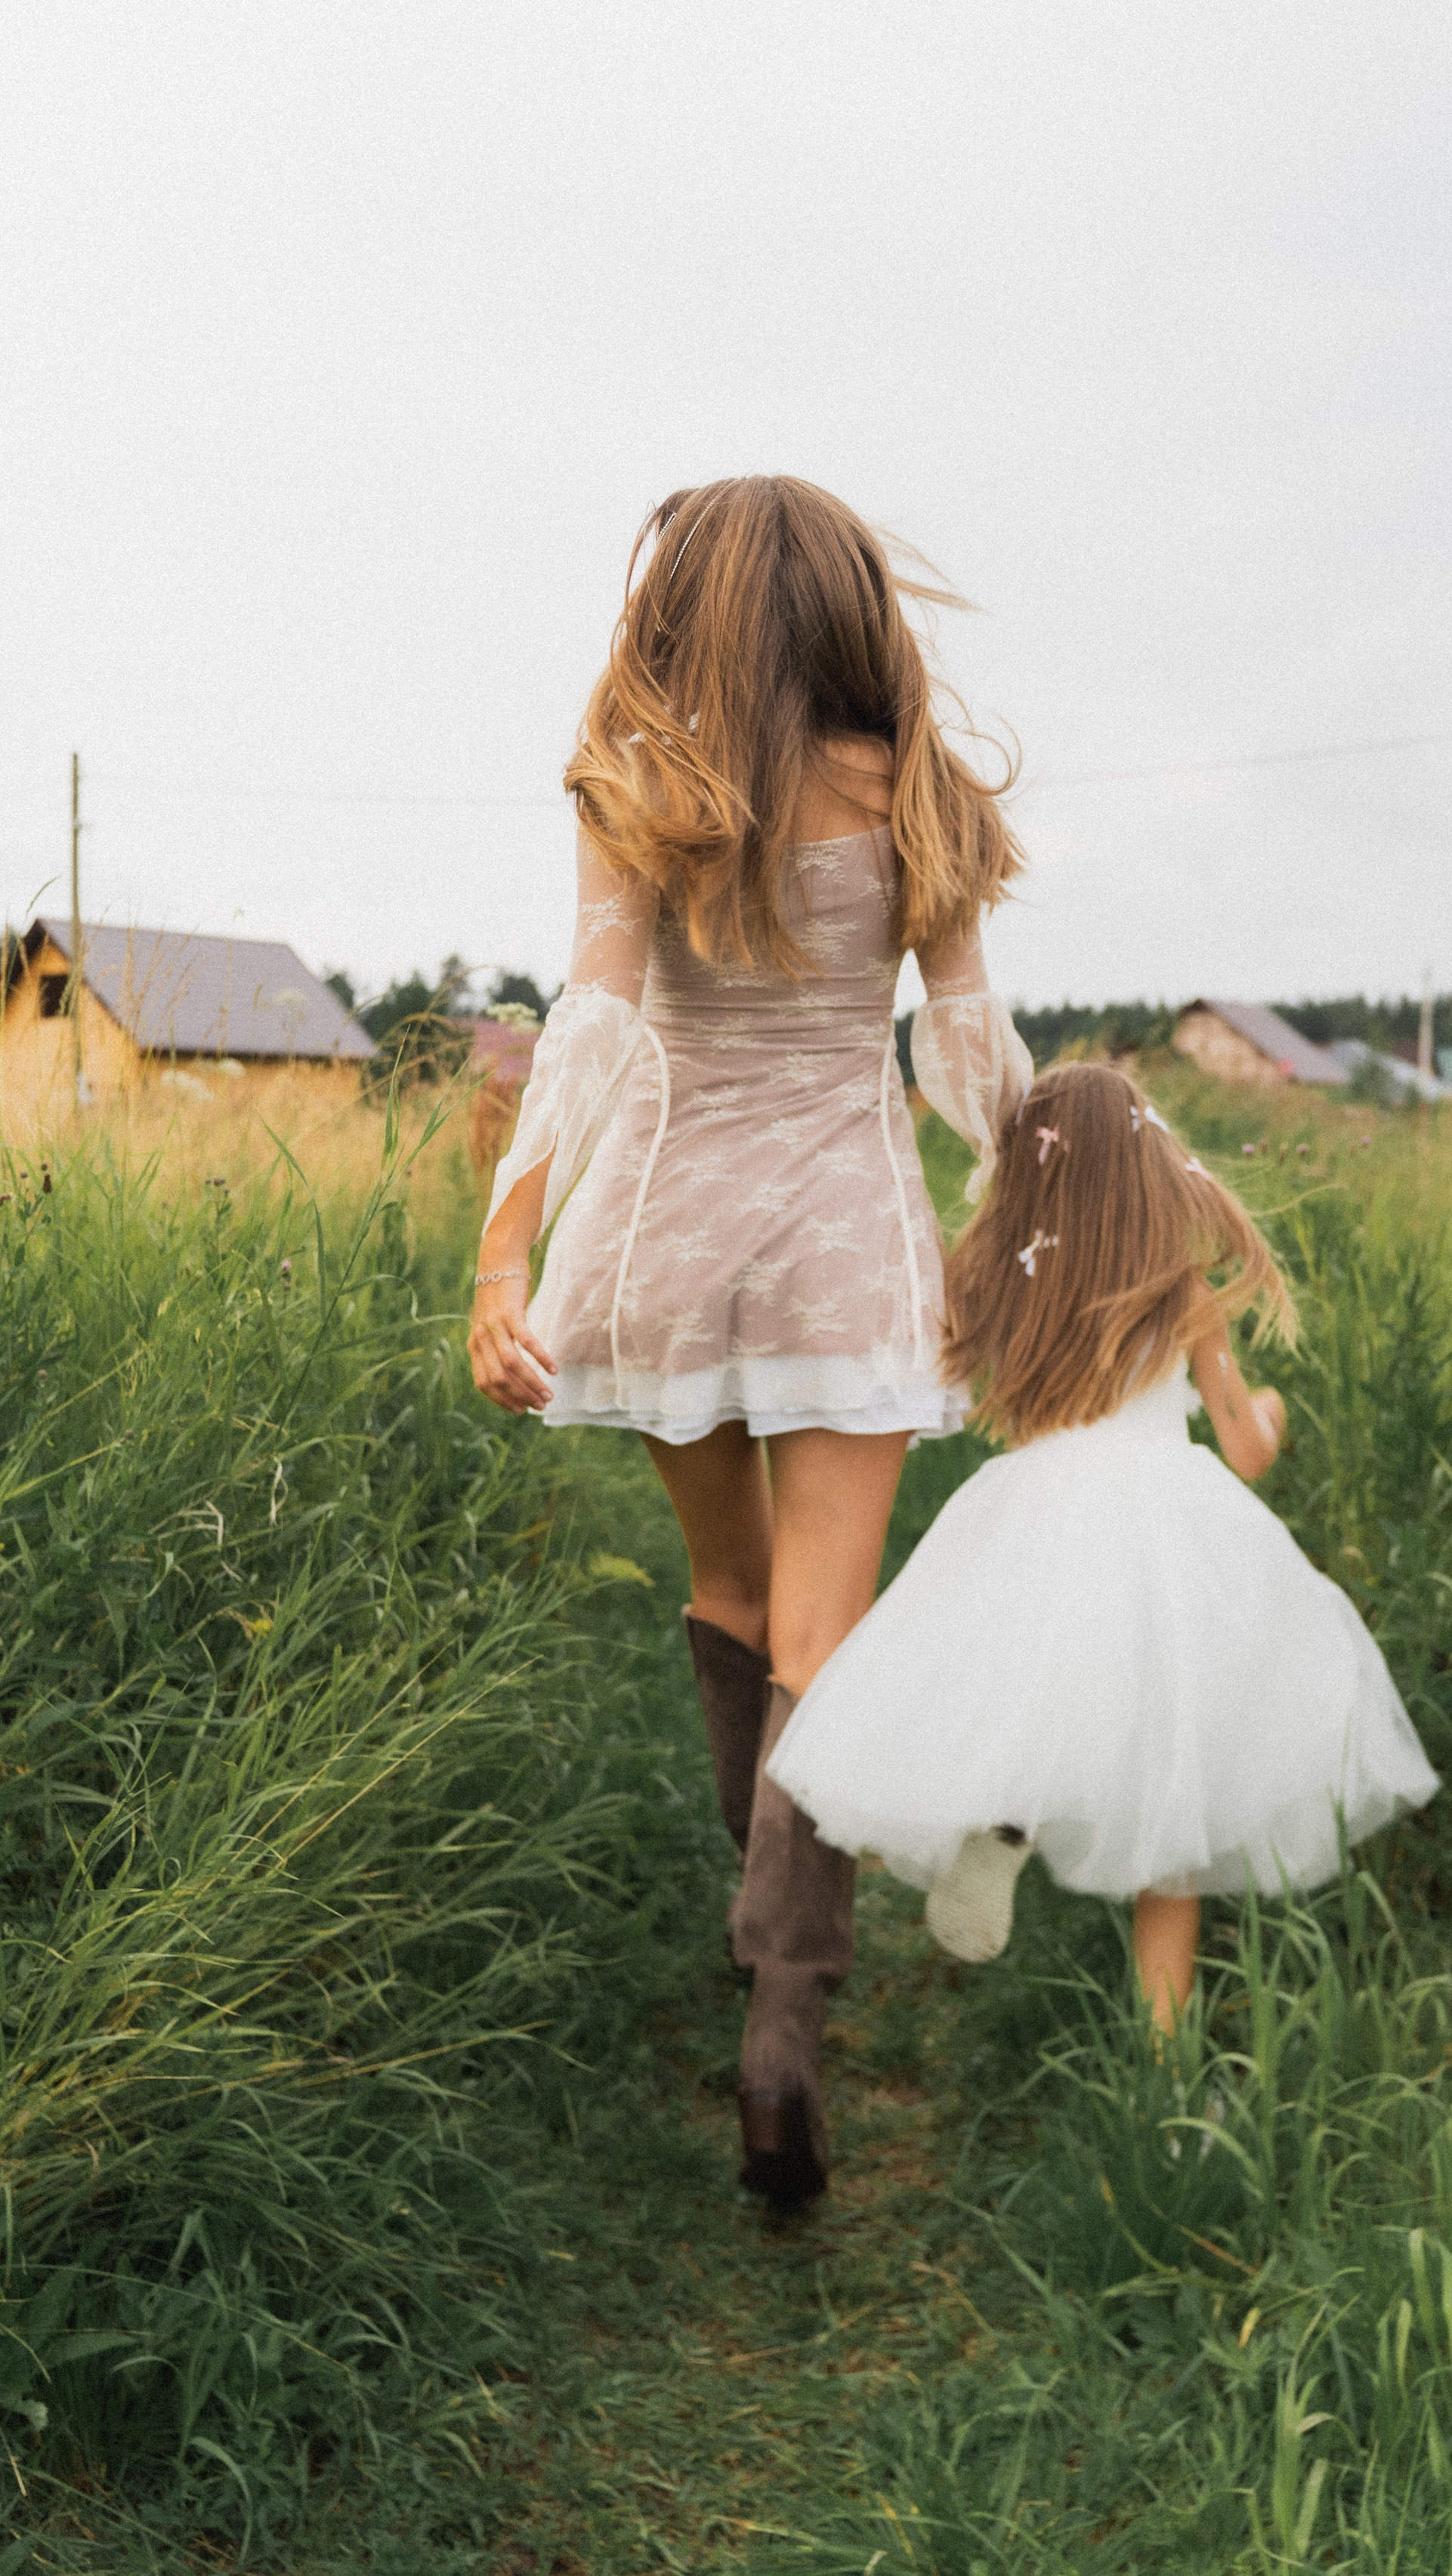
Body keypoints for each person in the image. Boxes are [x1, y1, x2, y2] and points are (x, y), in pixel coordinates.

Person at [468, 477, 1032, 2210]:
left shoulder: (637, 782)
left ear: (684, 610)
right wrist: (1019, 1219)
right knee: (821, 1626)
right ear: (851, 607)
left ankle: (760, 1918)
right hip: (843, 1241)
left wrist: (506, 1241)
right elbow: (964, 1045)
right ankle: (788, 2011)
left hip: (664, 1237)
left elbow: (593, 1021)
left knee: (726, 1587)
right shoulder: (916, 786)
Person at [767, 1061, 1441, 2033]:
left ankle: (1007, 1813)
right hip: (1165, 1515)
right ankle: (1162, 2065)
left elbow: (934, 1372)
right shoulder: (1180, 1282)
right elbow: (1247, 1451)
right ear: (1145, 1162)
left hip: (1036, 1508)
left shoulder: (998, 1274)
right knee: (1173, 1778)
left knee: (1030, 1688)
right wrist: (1270, 1410)